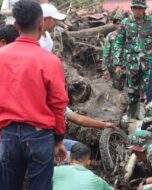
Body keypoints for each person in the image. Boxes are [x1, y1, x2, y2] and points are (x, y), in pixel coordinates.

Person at [0, 0, 68, 190]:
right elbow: (58, 103)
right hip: (40, 135)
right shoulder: (50, 61)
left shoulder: (1, 56)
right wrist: (59, 139)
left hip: (8, 134)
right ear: (40, 25)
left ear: (15, 25)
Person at [114, 0, 152, 120]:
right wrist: (118, 64)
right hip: (131, 63)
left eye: (140, 8)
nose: (138, 11)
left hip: (148, 62)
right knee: (132, 90)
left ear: (145, 9)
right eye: (136, 8)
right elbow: (119, 43)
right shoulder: (126, 22)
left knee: (148, 89)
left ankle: (149, 117)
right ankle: (132, 116)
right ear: (132, 9)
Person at [102, 13, 126, 91]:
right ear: (114, 24)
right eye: (117, 23)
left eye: (121, 23)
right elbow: (106, 53)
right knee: (117, 89)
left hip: (129, 67)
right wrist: (105, 68)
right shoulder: (110, 36)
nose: (119, 25)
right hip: (115, 67)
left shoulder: (129, 35)